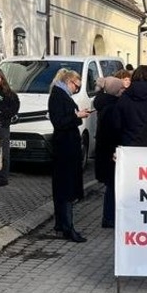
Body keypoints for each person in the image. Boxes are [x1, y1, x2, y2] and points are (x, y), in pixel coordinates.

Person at [48, 67, 91, 242]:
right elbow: (59, 121)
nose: (77, 89)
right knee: (66, 188)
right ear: (69, 82)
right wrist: (77, 115)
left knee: (63, 187)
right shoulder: (58, 95)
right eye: (76, 86)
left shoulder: (61, 95)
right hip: (64, 147)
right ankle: (67, 227)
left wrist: (76, 115)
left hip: (67, 146)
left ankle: (61, 225)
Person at [93, 75, 126, 228]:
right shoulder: (114, 108)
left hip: (104, 151)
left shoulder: (103, 103)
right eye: (121, 88)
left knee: (110, 186)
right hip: (112, 152)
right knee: (113, 187)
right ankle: (109, 218)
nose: (123, 90)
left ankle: (109, 217)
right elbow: (115, 132)